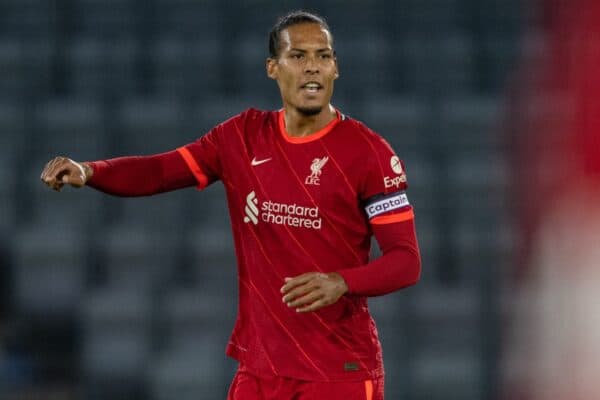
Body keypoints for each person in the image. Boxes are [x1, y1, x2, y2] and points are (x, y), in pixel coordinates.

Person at [40, 10, 421, 400]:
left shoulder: (368, 152)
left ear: (336, 68)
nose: (313, 68)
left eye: (323, 56)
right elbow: (161, 170)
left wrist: (342, 282)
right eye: (299, 56)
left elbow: (406, 260)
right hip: (260, 370)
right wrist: (90, 171)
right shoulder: (241, 137)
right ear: (273, 67)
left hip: (338, 371)